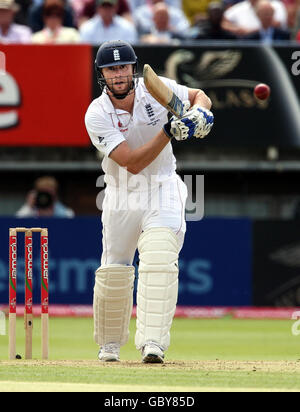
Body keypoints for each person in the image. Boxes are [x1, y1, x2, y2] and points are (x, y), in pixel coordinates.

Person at [85, 40, 214, 363]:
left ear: (132, 68)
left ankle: (153, 343)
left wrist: (199, 113)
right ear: (102, 74)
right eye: (111, 69)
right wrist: (170, 130)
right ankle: (110, 344)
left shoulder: (154, 89)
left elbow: (199, 96)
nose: (118, 75)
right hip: (120, 192)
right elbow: (132, 162)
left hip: (163, 186)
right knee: (115, 269)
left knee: (159, 256)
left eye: (123, 67)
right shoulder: (96, 114)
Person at [222, 0, 287, 36]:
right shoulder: (240, 8)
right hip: (247, 44)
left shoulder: (275, 4)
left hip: (273, 42)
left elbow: (278, 24)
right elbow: (223, 22)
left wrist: (252, 32)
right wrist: (237, 29)